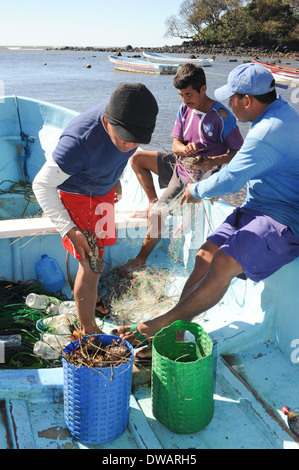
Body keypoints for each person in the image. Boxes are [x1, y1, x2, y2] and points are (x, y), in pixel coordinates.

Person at [117, 62, 299, 360]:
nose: (228, 104)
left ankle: (159, 324)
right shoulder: (275, 113)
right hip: (257, 207)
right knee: (204, 254)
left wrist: (195, 190)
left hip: (283, 220)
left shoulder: (268, 130)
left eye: (232, 98)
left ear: (247, 101)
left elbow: (231, 178)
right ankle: (175, 330)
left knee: (225, 261)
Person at [32, 82, 158, 335]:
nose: (129, 144)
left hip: (103, 190)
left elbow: (123, 147)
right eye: (124, 137)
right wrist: (69, 230)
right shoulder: (78, 142)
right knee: (91, 264)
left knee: (98, 254)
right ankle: (88, 328)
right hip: (76, 194)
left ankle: (92, 300)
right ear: (108, 122)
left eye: (136, 140)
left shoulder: (130, 120)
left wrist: (115, 179)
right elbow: (41, 185)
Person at [119, 63, 243, 271]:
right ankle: (152, 202)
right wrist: (184, 149)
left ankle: (140, 259)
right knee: (137, 159)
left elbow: (237, 154)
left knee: (159, 214)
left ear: (203, 89)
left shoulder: (222, 116)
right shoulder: (184, 110)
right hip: (181, 164)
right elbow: (176, 144)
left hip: (199, 175)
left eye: (188, 94)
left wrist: (212, 162)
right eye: (181, 95)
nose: (185, 100)